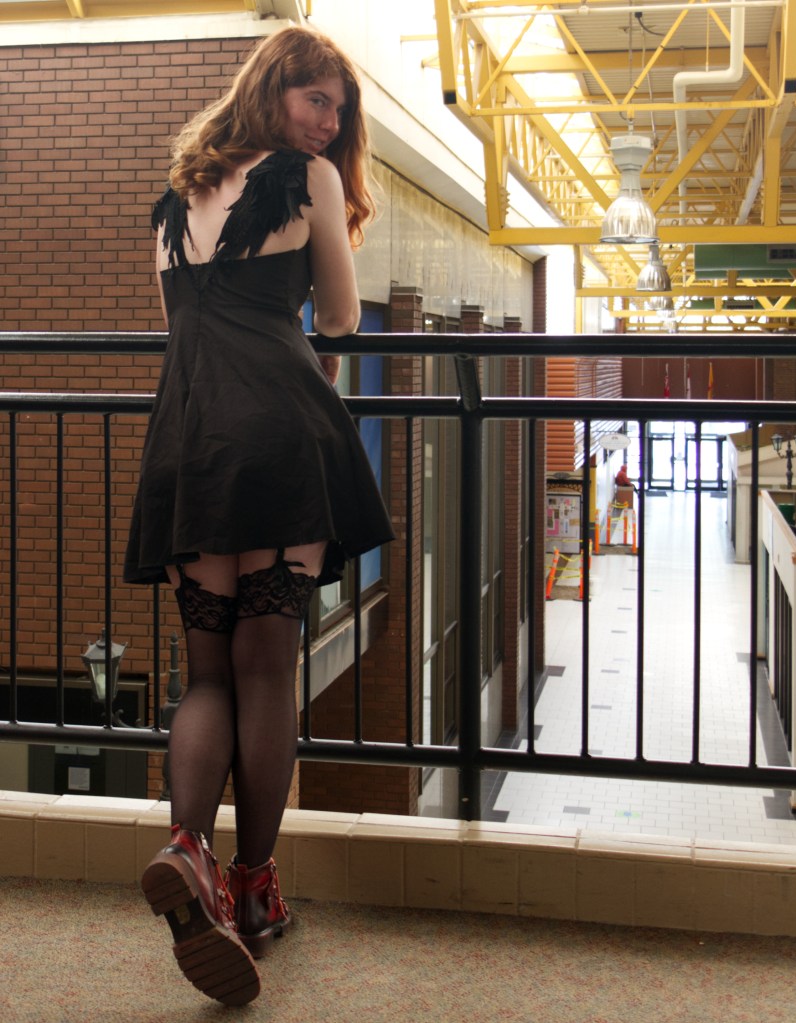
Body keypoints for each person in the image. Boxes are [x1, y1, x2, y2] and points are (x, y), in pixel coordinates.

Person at [124, 26, 394, 1006]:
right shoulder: (304, 178)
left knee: (206, 673)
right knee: (267, 664)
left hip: (189, 440)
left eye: (337, 111)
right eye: (316, 100)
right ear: (275, 89)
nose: (327, 124)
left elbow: (176, 331)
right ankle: (254, 889)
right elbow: (338, 317)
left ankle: (186, 848)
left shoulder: (176, 193)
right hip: (278, 431)